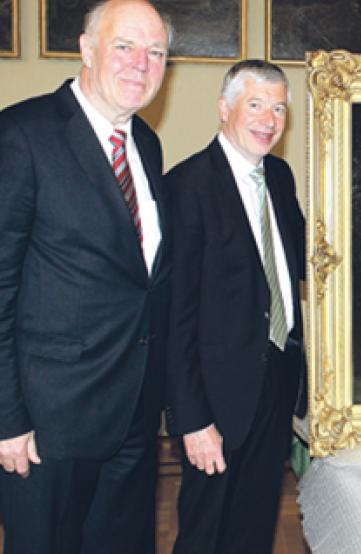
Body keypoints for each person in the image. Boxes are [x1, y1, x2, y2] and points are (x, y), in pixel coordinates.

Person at [0, 1, 171, 551]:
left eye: (156, 53)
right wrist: (6, 418)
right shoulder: (22, 134)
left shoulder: (146, 143)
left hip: (133, 419)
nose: (140, 65)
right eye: (125, 47)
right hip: (47, 428)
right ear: (86, 48)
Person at [165, 60, 307, 553]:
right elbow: (174, 319)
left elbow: (301, 268)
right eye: (255, 104)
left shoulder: (282, 178)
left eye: (279, 108)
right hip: (217, 400)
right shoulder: (187, 187)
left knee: (254, 525)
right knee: (206, 532)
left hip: (277, 381)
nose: (269, 119)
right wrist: (191, 419)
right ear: (224, 108)